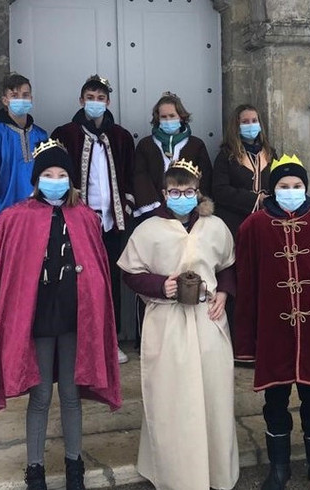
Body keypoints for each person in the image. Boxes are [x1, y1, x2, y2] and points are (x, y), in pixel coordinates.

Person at [0, 138, 122, 490]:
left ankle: (74, 465)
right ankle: (35, 469)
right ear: (36, 178)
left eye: (62, 174)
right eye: (48, 173)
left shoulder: (86, 218)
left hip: (76, 319)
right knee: (41, 395)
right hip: (39, 320)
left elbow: (98, 273)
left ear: (71, 179)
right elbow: (10, 280)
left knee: (72, 395)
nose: (56, 179)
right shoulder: (14, 219)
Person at [234, 155, 310, 490]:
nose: (291, 191)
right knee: (275, 403)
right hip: (273, 334)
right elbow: (246, 286)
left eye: (297, 186)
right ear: (272, 190)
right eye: (284, 187)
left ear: (305, 187)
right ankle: (279, 468)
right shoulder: (253, 227)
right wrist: (248, 341)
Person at [118, 160, 239, 490]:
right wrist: (161, 286)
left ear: (198, 193)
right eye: (175, 191)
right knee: (173, 398)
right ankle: (174, 474)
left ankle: (216, 471)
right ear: (164, 193)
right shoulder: (148, 229)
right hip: (168, 321)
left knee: (213, 394)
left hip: (208, 317)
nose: (182, 197)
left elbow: (228, 264)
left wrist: (225, 293)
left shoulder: (214, 226)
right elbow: (130, 273)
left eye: (188, 192)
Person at [51, 74, 135, 364]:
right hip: (77, 223)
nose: (95, 103)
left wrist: (126, 203)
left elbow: (129, 175)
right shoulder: (65, 134)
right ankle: (78, 344)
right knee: (76, 282)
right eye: (90, 98)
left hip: (111, 223)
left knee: (109, 281)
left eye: (101, 98)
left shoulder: (121, 136)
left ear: (108, 102)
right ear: (81, 100)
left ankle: (110, 342)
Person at [0, 73, 48, 248]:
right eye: (14, 96)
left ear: (31, 98)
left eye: (25, 95)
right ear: (5, 100)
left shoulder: (41, 135)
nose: (21, 99)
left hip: (38, 219)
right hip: (5, 219)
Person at [132, 92, 213, 220]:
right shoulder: (146, 145)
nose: (168, 120)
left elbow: (206, 177)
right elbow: (140, 176)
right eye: (163, 117)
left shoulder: (196, 145)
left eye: (172, 116)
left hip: (189, 209)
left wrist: (196, 203)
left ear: (181, 117)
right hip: (155, 213)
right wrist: (155, 208)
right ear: (157, 118)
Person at [212, 103, 276, 238]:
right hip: (235, 221)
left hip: (267, 219)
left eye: (254, 121)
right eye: (245, 122)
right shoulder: (226, 155)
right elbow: (220, 190)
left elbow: (278, 182)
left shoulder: (270, 153)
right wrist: (255, 199)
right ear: (237, 126)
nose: (251, 125)